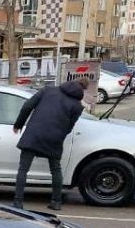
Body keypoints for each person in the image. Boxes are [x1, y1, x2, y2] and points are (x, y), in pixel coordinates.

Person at [11, 79, 85, 210]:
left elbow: (27, 106)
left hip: (34, 134)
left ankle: (18, 202)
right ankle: (56, 202)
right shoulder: (77, 106)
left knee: (23, 169)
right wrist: (59, 134)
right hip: (55, 138)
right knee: (55, 169)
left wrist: (18, 124)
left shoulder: (48, 90)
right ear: (82, 90)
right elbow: (69, 126)